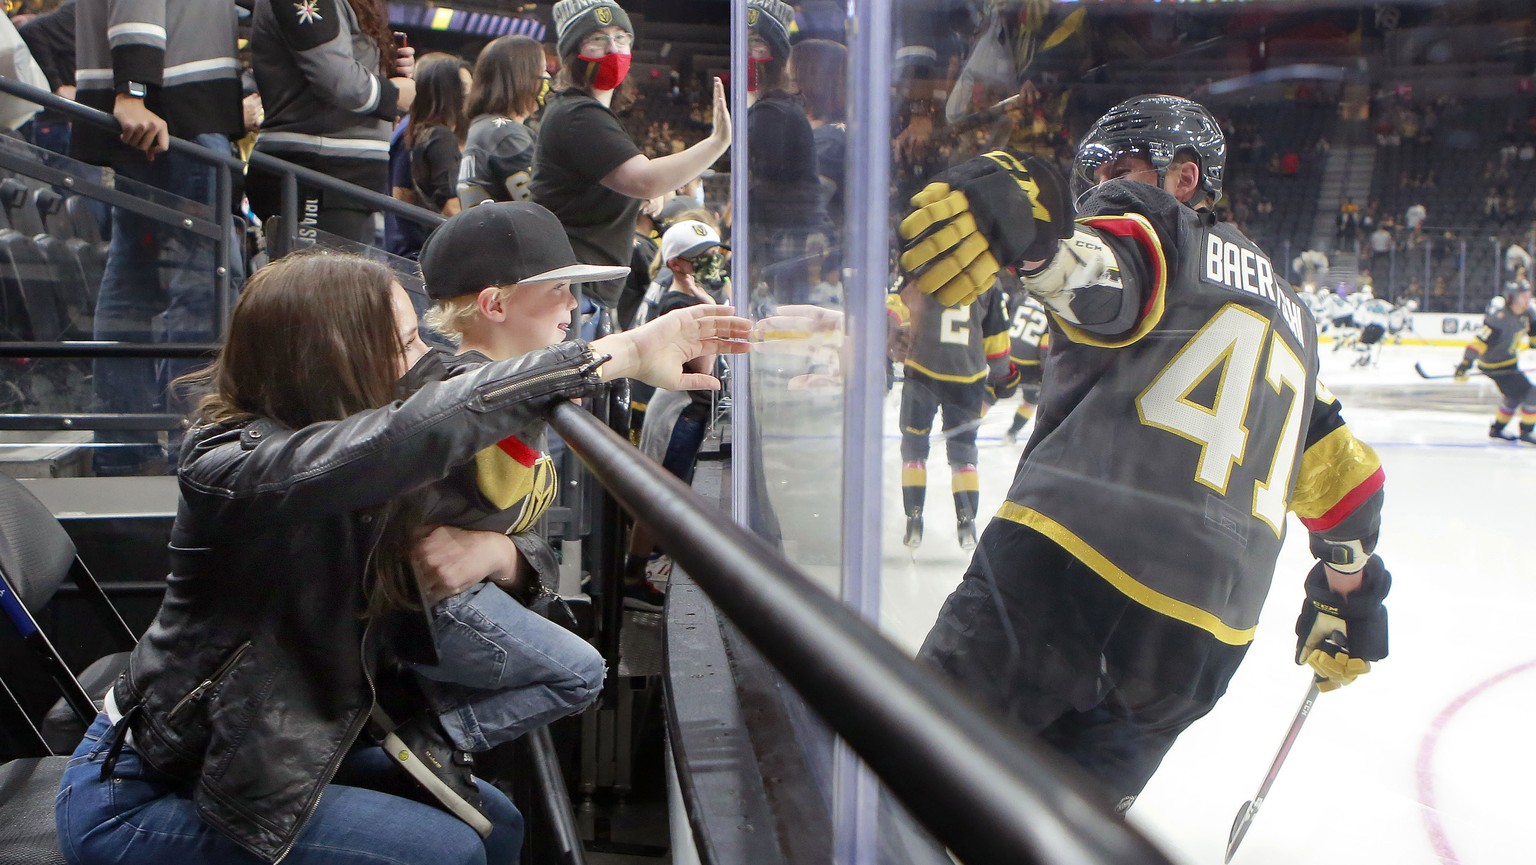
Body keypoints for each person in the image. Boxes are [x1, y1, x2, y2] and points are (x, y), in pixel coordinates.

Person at [55, 250, 750, 865]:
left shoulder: (346, 425)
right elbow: (403, 437)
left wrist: (500, 552)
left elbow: (473, 442)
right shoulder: (234, 462)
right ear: (333, 358)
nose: (424, 361)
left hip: (259, 751)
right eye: (405, 342)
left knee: (497, 824)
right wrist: (617, 354)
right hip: (143, 793)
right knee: (445, 849)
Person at [898, 94, 1390, 811]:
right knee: (1052, 837)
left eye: (1117, 168)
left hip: (1065, 573)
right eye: (1090, 173)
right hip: (1199, 643)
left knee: (909, 783)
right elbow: (1349, 487)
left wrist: (1036, 231)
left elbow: (1102, 275)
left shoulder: (1161, 228)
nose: (1099, 186)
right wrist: (1348, 597)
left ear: (1184, 178)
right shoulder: (1296, 320)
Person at [401, 202, 633, 751]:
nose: (573, 304)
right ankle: (435, 745)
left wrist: (499, 553)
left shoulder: (506, 390)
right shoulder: (462, 386)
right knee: (581, 672)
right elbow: (488, 413)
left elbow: (517, 522)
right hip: (438, 606)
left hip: (461, 594)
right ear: (494, 304)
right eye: (555, 289)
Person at [72, 0, 245, 476]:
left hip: (163, 108)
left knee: (136, 280)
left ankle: (123, 445)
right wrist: (134, 91)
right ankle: (195, 445)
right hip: (169, 113)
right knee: (200, 288)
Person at [532, 0, 730, 320]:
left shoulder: (584, 113)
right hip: (572, 295)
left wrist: (646, 196)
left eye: (621, 37)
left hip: (581, 292)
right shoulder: (578, 114)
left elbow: (601, 191)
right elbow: (644, 179)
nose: (613, 47)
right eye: (597, 39)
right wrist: (717, 142)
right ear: (572, 52)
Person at [247, 0, 417, 246]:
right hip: (317, 170)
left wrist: (386, 69)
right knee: (314, 282)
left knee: (338, 281)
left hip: (341, 176)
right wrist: (391, 94)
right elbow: (336, 78)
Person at [892, 279, 1017, 551]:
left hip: (921, 371)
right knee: (963, 452)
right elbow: (997, 339)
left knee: (914, 448)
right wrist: (1003, 374)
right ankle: (966, 522)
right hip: (966, 377)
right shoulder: (988, 281)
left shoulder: (925, 269)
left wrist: (887, 347)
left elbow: (896, 309)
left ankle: (913, 518)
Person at [457, 34, 547, 209]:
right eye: (542, 71)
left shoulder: (483, 125)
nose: (548, 78)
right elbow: (543, 209)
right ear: (523, 78)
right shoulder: (506, 134)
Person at [1454, 282, 1536, 444]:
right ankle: (1526, 432)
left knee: (1514, 396)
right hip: (1493, 365)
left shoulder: (1529, 312)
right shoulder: (1498, 319)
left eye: (1528, 296)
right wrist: (1465, 363)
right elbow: (1478, 342)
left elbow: (1534, 334)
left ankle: (1497, 429)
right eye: (1523, 297)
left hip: (1509, 362)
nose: (1528, 300)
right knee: (1532, 393)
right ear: (1511, 298)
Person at [406, 57, 471, 217]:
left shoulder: (422, 132)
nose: (471, 94)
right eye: (463, 88)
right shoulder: (441, 136)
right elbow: (451, 207)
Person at [1000, 281, 1049, 446]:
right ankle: (1012, 432)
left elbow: (1004, 314)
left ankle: (966, 427)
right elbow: (1045, 344)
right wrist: (1045, 372)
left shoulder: (1021, 296)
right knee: (1030, 400)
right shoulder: (1052, 307)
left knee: (990, 393)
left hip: (1007, 353)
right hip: (1030, 364)